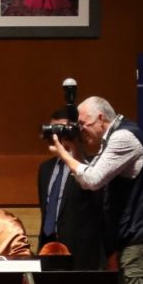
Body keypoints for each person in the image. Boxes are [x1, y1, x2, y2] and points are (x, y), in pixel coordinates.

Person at [47, 95, 143, 284]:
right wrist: (75, 152)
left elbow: (92, 180)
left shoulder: (123, 138)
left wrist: (64, 156)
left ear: (101, 118)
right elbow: (88, 178)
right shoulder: (118, 135)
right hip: (135, 233)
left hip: (141, 232)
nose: (80, 130)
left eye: (83, 124)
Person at [36, 108, 107, 268]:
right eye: (53, 130)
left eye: (62, 129)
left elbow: (99, 204)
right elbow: (45, 208)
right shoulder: (45, 169)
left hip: (82, 251)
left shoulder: (91, 166)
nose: (56, 135)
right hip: (48, 247)